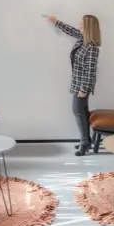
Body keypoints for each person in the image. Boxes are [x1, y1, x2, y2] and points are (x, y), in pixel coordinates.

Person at [44, 13, 101, 155]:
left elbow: (91, 71)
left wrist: (83, 89)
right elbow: (72, 31)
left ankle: (84, 143)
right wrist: (56, 22)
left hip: (83, 84)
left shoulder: (92, 47)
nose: (79, 25)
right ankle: (86, 141)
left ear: (88, 27)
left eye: (82, 24)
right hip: (77, 82)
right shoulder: (83, 39)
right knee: (82, 112)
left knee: (78, 112)